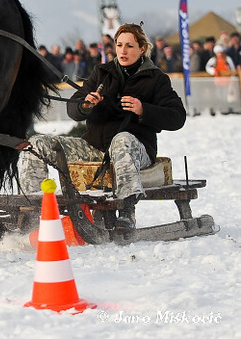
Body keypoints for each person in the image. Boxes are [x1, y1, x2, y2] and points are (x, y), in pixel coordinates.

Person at [20, 23, 186, 230]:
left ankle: (126, 211)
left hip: (136, 150)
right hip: (95, 146)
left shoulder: (157, 79)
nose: (123, 51)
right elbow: (74, 109)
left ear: (142, 49)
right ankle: (31, 211)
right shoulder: (101, 73)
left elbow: (178, 117)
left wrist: (144, 109)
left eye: (130, 46)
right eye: (119, 45)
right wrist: (85, 105)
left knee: (122, 139)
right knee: (36, 144)